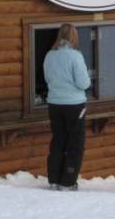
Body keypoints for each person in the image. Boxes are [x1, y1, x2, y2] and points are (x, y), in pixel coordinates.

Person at [43, 23, 91, 191]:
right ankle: (68, 181)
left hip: (54, 104)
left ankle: (54, 179)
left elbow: (48, 79)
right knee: (75, 143)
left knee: (58, 141)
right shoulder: (75, 56)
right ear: (73, 37)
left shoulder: (50, 55)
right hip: (74, 105)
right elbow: (84, 83)